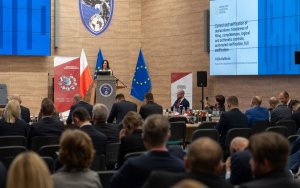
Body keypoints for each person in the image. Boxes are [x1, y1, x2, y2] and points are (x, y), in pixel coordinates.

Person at [111, 115, 185, 188]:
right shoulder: (181, 167)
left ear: (143, 136)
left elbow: (113, 184)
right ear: (169, 135)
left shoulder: (131, 166)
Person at [142, 137, 232, 188]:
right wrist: (228, 173)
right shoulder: (227, 186)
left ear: (186, 162)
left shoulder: (158, 180)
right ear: (220, 167)